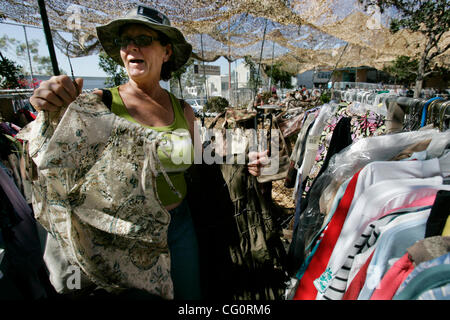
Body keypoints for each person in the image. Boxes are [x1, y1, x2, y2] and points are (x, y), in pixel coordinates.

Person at [29, 4, 266, 300]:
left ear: (166, 51)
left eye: (142, 39)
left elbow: (202, 150)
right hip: (123, 238)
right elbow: (57, 150)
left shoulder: (182, 109)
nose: (131, 47)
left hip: (179, 227)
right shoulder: (101, 104)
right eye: (124, 41)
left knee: (189, 296)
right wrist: (49, 100)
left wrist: (244, 157)